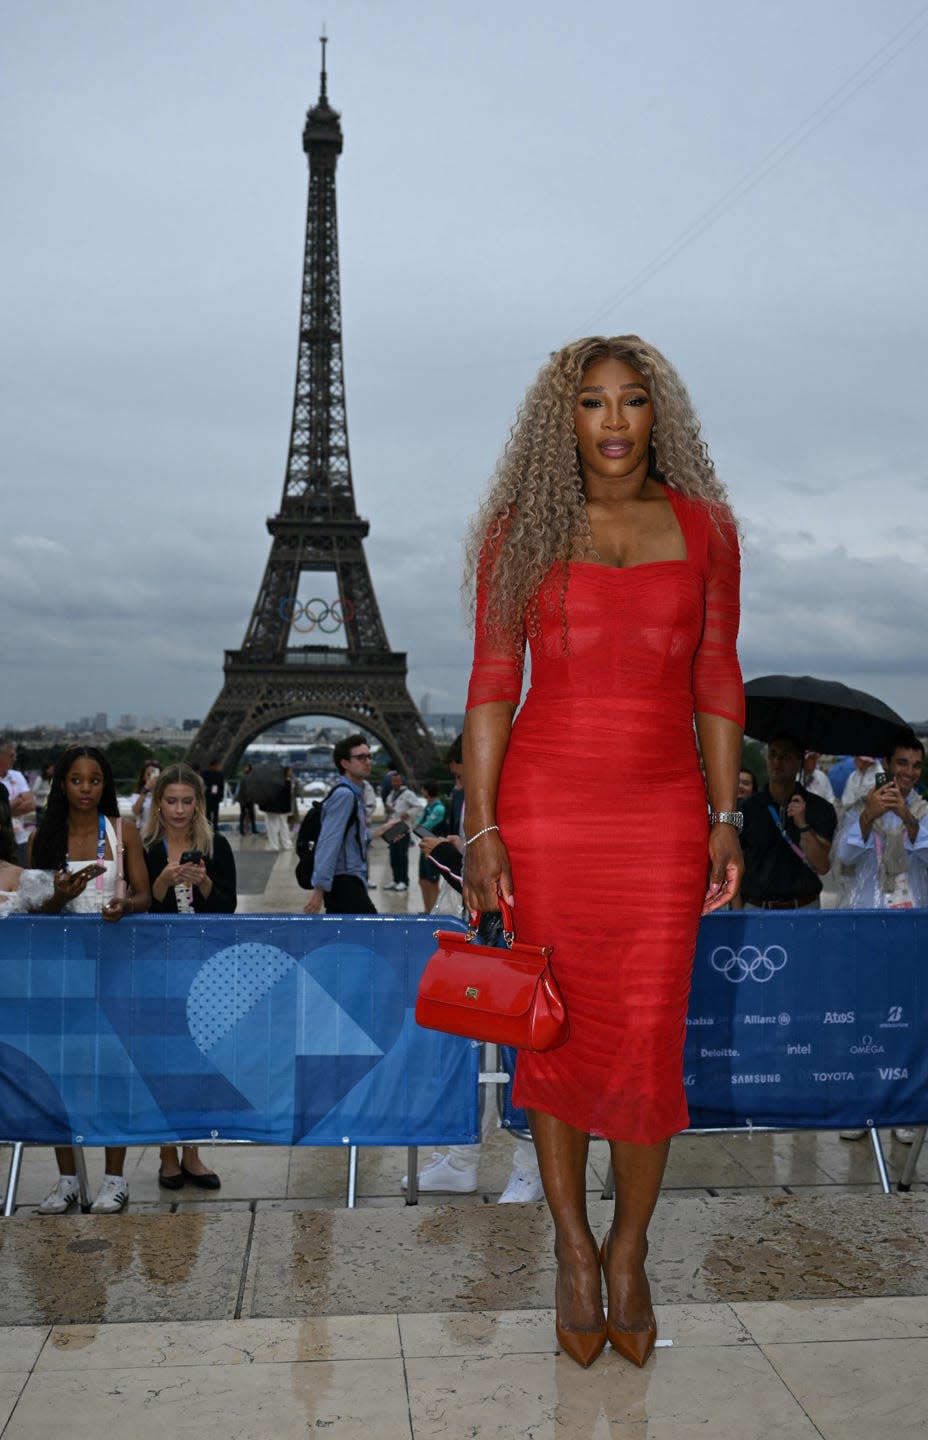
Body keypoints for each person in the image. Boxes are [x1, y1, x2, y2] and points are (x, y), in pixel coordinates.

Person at [462, 335, 744, 1367]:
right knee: (556, 1032)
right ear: (563, 419)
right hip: (546, 810)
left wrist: (725, 814)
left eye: (632, 401)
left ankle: (630, 1250)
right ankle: (572, 1250)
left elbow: (716, 677)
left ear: (656, 415)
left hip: (662, 810)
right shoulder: (519, 531)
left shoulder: (706, 529)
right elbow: (494, 682)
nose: (614, 421)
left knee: (642, 1039)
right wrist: (482, 825)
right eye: (592, 403)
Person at [29, 746, 151, 1214]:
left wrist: (125, 908)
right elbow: (34, 907)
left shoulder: (123, 833)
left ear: (106, 785)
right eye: (77, 780)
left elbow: (143, 895)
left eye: (95, 780)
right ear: (62, 785)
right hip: (62, 969)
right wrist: (59, 897)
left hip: (115, 966)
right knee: (62, 1075)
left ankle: (114, 1178)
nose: (86, 789)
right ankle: (68, 1178)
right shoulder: (46, 837)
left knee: (111, 1071)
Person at [143, 763, 237, 1189]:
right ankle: (167, 1154)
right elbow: (142, 913)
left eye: (186, 801)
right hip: (158, 970)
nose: (179, 809)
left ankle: (193, 1152)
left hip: (205, 970)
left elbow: (227, 909)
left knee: (201, 1062)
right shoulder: (146, 851)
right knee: (164, 1063)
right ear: (158, 804)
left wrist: (203, 885)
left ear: (198, 803)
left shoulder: (215, 846)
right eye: (171, 801)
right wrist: (162, 883)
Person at [834, 733, 927, 1146]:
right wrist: (869, 817)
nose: (908, 772)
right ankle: (862, 1106)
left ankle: (905, 1110)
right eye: (902, 764)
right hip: (866, 924)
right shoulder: (860, 807)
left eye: (916, 765)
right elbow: (844, 860)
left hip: (910, 926)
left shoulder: (923, 811)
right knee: (864, 1017)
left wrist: (908, 819)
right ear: (886, 766)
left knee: (906, 1020)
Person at [735, 732, 837, 910]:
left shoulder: (820, 809)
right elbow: (736, 863)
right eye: (773, 754)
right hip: (757, 908)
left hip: (804, 907)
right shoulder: (748, 809)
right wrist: (736, 910)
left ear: (799, 763)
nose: (776, 762)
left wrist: (803, 826)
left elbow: (821, 866)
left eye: (785, 756)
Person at [302, 735, 377, 915]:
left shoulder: (354, 794)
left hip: (351, 879)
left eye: (369, 756)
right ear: (345, 764)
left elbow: (352, 839)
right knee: (371, 935)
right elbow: (329, 842)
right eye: (360, 757)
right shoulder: (345, 796)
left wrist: (383, 830)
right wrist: (318, 890)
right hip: (345, 882)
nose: (367, 762)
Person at [379, 771, 421, 893]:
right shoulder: (391, 794)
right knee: (393, 855)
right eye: (393, 781)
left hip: (402, 828)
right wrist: (388, 809)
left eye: (397, 781)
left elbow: (417, 806)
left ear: (401, 781)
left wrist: (407, 814)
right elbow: (390, 808)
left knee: (402, 855)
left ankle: (404, 881)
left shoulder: (408, 794)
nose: (395, 783)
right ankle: (396, 879)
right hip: (392, 828)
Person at [0, 739, 35, 863]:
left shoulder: (17, 776)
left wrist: (5, 810)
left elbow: (31, 804)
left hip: (20, 839)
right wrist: (17, 801)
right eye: (11, 755)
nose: (15, 759)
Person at [416, 780, 447, 912]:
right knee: (423, 881)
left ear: (427, 791)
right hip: (425, 847)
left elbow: (425, 826)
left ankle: (435, 911)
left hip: (434, 849)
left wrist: (418, 827)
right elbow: (418, 824)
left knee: (432, 881)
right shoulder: (428, 807)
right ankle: (427, 910)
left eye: (423, 789)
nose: (422, 792)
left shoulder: (438, 808)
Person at [263, 765, 294, 851]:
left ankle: (274, 846)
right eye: (290, 771)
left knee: (273, 827)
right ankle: (286, 844)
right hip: (282, 808)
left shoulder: (271, 782)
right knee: (283, 826)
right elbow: (287, 797)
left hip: (273, 808)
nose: (291, 772)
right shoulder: (287, 782)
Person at [129, 758, 160, 831]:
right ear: (143, 777)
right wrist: (146, 789)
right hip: (143, 830)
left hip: (159, 830)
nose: (151, 777)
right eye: (148, 774)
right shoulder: (137, 795)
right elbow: (135, 811)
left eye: (154, 774)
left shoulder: (165, 795)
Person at [201, 758, 225, 830]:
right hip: (207, 797)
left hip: (216, 797)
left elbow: (221, 786)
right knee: (207, 813)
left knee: (215, 813)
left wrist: (221, 796)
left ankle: (215, 827)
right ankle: (208, 826)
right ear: (212, 766)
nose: (217, 767)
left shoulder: (220, 774)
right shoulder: (205, 774)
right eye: (216, 766)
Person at [236, 762, 257, 835]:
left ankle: (253, 829)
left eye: (247, 767)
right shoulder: (245, 777)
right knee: (243, 815)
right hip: (244, 799)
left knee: (251, 815)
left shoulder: (246, 777)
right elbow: (243, 789)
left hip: (248, 799)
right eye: (245, 767)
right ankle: (243, 830)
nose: (245, 768)